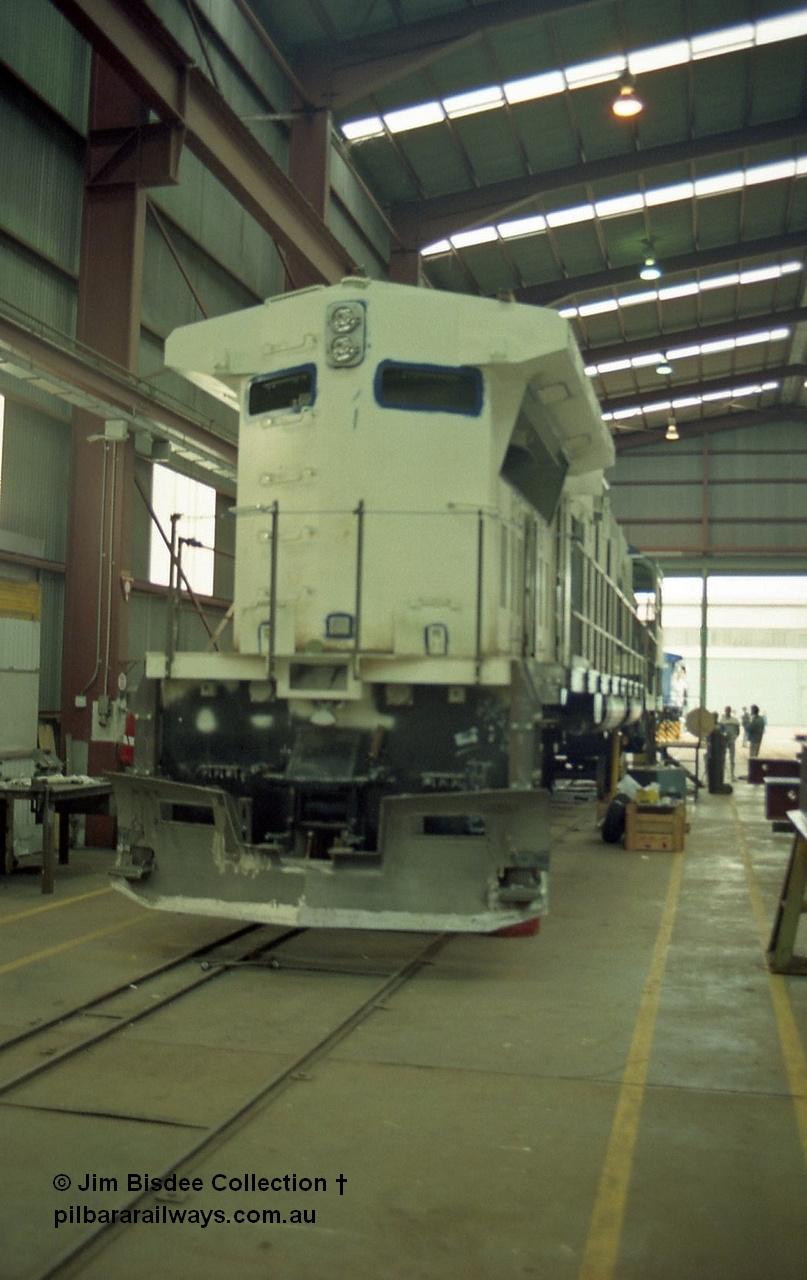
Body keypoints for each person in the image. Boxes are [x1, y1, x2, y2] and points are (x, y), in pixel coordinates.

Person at [719, 706, 740, 780]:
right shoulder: (722, 721)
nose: (727, 712)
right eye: (726, 710)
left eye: (728, 710)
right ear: (725, 711)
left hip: (731, 741)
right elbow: (720, 731)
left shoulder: (735, 721)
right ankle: (722, 775)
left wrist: (734, 737)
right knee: (722, 758)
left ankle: (732, 775)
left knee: (732, 758)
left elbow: (738, 731)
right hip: (724, 741)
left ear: (730, 711)